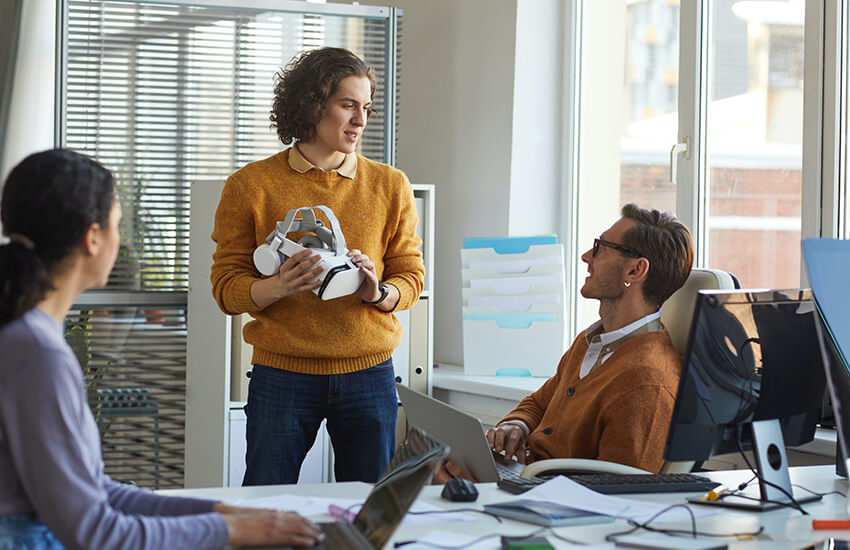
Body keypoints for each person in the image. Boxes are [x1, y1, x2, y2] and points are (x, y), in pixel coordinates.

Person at [0, 149, 323, 549]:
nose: (121, 240)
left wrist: (222, 512)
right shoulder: (37, 354)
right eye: (118, 225)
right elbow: (95, 533)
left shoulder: (25, 336)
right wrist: (233, 531)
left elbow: (95, 491)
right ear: (93, 238)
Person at [210, 47, 425, 485]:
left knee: (369, 509)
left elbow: (411, 276)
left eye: (366, 108)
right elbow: (225, 287)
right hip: (282, 373)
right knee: (266, 499)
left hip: (370, 373)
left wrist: (378, 292)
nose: (360, 120)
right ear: (312, 105)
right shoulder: (250, 186)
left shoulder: (390, 185)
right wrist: (279, 285)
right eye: (348, 105)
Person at [438, 204, 694, 481]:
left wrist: (486, 490)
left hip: (549, 497)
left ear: (634, 270)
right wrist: (517, 425)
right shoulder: (591, 342)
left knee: (442, 479)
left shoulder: (648, 382)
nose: (586, 257)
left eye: (600, 248)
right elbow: (540, 402)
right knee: (437, 460)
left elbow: (615, 495)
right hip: (529, 479)